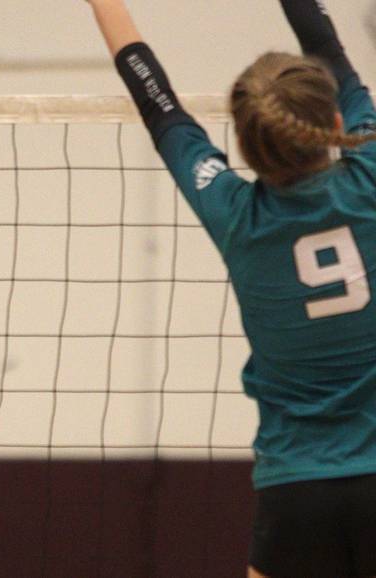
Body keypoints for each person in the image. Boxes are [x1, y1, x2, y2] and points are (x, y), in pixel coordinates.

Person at [85, 0, 376, 576]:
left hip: (296, 493)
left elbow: (159, 107)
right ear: (335, 126)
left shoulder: (234, 213)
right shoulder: (369, 175)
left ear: (243, 146)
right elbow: (328, 46)